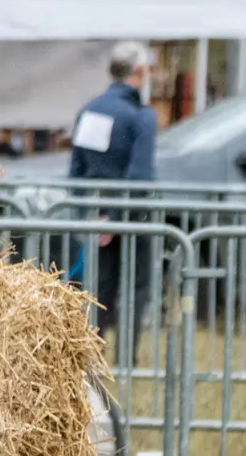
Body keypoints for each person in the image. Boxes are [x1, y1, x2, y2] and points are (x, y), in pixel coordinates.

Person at [67, 41, 158, 349]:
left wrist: (89, 216)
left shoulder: (90, 110)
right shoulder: (141, 116)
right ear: (140, 72)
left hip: (96, 211)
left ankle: (92, 350)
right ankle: (128, 359)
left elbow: (77, 168)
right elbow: (139, 174)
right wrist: (117, 218)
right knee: (136, 285)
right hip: (130, 213)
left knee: (97, 287)